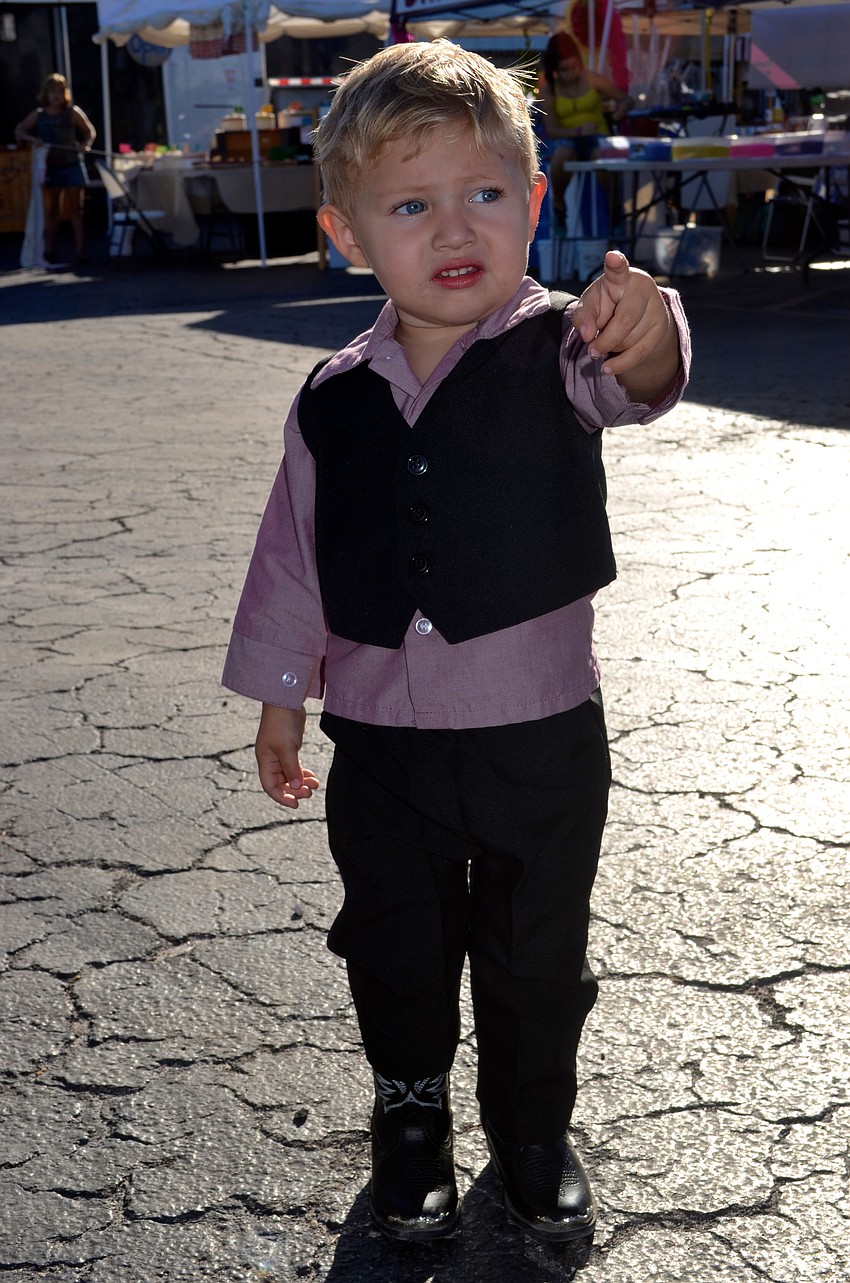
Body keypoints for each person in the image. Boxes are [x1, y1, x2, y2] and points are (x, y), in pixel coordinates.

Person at [222, 39, 689, 1246]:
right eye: (411, 204)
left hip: (538, 733)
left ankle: (533, 1128)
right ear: (346, 233)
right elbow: (292, 553)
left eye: (485, 192)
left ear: (532, 202)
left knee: (538, 949)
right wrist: (282, 699)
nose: (453, 227)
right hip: (380, 742)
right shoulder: (330, 392)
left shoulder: (565, 348)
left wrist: (648, 329)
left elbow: (642, 377)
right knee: (397, 936)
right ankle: (412, 1118)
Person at [540, 32, 633, 232]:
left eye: (574, 67)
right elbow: (552, 131)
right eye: (564, 70)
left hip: (597, 136)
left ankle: (615, 206)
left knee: (602, 156)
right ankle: (559, 205)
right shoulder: (549, 91)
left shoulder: (592, 79)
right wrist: (578, 131)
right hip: (567, 139)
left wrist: (615, 117)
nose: (571, 73)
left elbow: (626, 100)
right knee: (562, 154)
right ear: (555, 69)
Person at [15, 73, 96, 267]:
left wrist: (85, 145)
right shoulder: (39, 115)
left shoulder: (72, 112)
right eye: (53, 92)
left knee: (76, 210)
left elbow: (89, 131)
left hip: (72, 165)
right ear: (47, 94)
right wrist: (35, 140)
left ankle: (80, 250)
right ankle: (49, 250)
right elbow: (20, 131)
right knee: (52, 211)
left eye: (60, 92)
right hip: (51, 168)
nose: (56, 96)